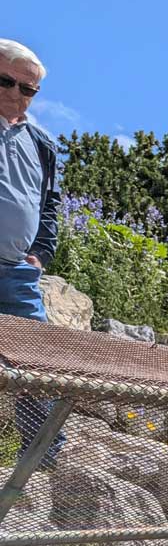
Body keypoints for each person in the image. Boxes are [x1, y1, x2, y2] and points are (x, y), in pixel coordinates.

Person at [0, 40, 64, 465]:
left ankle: (41, 460)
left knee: (37, 365)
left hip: (16, 271)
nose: (16, 94)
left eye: (28, 89)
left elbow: (50, 205)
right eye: (6, 81)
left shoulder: (41, 143)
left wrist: (40, 252)